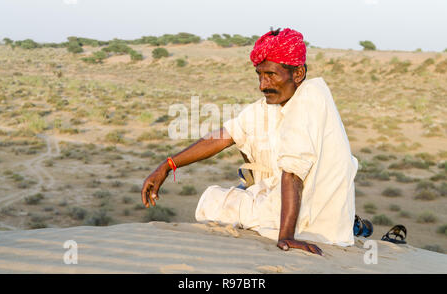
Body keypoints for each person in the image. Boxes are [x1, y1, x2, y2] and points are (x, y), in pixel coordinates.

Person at [141, 28, 358, 256]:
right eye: (259, 75)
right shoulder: (278, 103)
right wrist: (167, 165)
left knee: (214, 202)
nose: (263, 85)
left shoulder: (308, 100)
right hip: (324, 215)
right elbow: (225, 136)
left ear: (298, 73)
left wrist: (286, 238)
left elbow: (292, 173)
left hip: (308, 222)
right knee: (250, 140)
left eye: (271, 75)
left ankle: (258, 199)